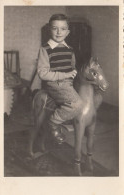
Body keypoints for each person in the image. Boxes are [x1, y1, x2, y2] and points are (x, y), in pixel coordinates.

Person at [37, 14, 83, 144]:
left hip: (68, 83)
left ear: (67, 32)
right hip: (55, 84)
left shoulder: (70, 49)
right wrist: (64, 75)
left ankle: (76, 123)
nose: (58, 32)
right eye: (54, 28)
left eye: (62, 29)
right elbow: (43, 73)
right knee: (77, 104)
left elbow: (72, 67)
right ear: (49, 30)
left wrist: (74, 73)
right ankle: (53, 122)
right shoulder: (45, 49)